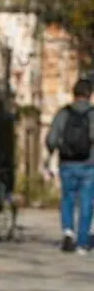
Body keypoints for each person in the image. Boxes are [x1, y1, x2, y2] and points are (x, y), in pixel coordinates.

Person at [45, 78, 94, 252]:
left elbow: (51, 139)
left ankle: (68, 231)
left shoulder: (63, 113)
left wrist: (51, 152)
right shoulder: (92, 114)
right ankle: (82, 242)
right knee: (87, 202)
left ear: (74, 94)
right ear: (89, 95)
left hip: (66, 162)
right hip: (89, 164)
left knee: (68, 198)